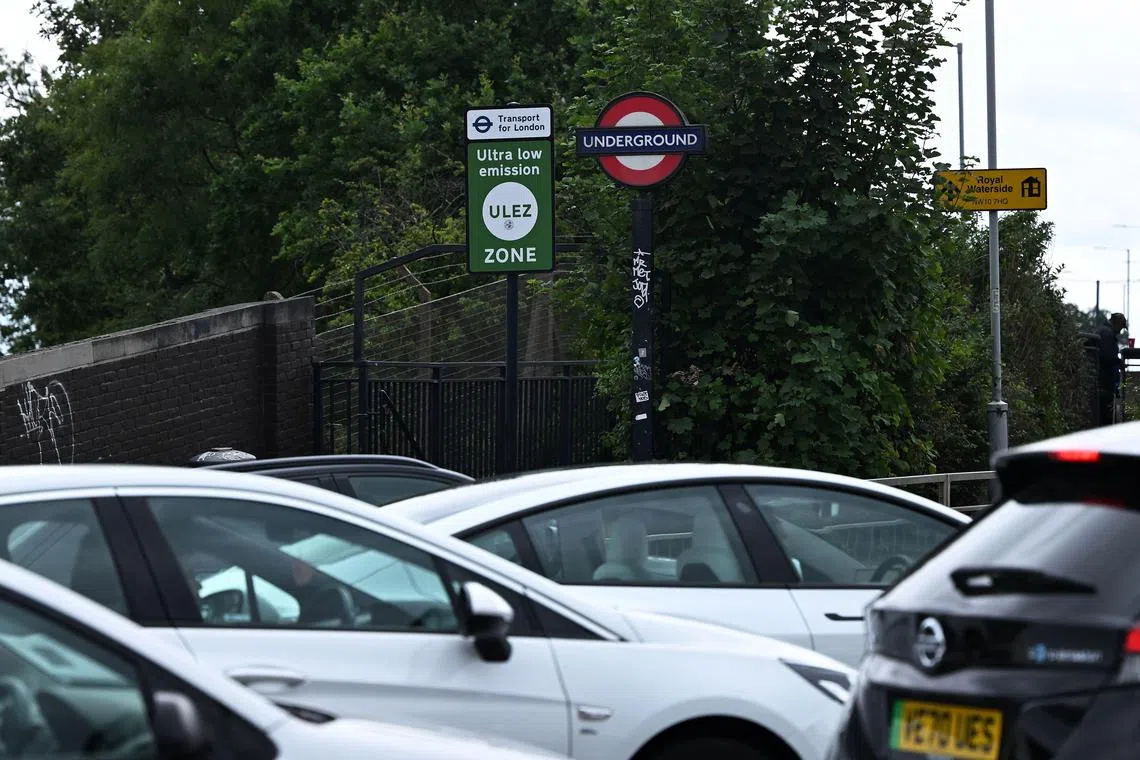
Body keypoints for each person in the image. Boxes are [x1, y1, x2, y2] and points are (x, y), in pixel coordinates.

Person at [1096, 312, 1128, 426]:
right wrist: (1119, 363)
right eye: (1121, 327)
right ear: (1117, 323)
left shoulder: (1105, 332)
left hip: (1103, 382)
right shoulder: (1107, 334)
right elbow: (1107, 357)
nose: (1120, 331)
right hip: (1103, 383)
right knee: (1105, 420)